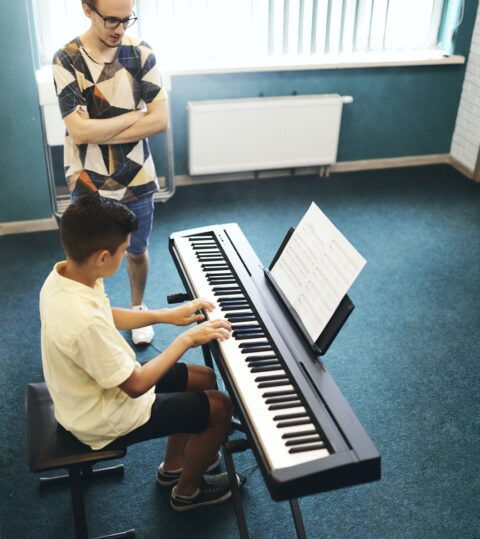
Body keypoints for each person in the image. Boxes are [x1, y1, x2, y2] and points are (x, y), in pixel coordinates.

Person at [39, 195, 245, 510]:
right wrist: (186, 339)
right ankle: (187, 491)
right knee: (221, 407)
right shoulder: (82, 323)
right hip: (101, 417)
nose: (125, 256)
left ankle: (175, 465)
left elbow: (106, 312)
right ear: (102, 257)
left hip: (89, 390)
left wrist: (164, 315)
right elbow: (136, 386)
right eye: (123, 251)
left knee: (202, 377)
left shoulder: (65, 276)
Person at [52, 0, 167, 345]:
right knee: (87, 256)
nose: (119, 28)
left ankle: (137, 307)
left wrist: (99, 126)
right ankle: (90, 318)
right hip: (88, 178)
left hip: (137, 177)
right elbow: (81, 133)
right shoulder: (67, 59)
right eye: (111, 20)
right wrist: (135, 115)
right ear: (87, 9)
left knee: (137, 249)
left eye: (126, 19)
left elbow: (160, 120)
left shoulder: (142, 54)